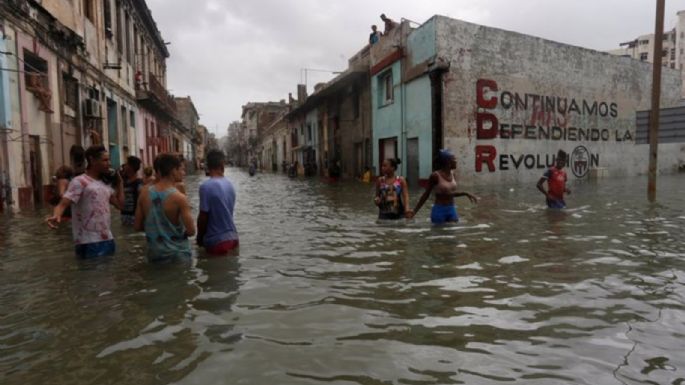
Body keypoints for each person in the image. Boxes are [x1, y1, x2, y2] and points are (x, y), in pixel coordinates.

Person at [46, 145, 124, 258]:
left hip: (108, 239)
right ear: (92, 160)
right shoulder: (79, 182)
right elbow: (63, 203)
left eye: (109, 160)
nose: (109, 163)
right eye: (105, 160)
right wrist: (56, 215)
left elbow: (120, 205)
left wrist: (120, 183)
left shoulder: (104, 183)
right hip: (88, 241)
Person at [134, 153, 195, 262]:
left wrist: (157, 230)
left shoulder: (143, 193)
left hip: (155, 254)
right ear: (173, 171)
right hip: (178, 255)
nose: (183, 173)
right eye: (181, 169)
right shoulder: (180, 198)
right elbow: (191, 231)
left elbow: (137, 226)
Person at [409, 149, 478, 224]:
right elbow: (426, 194)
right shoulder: (435, 176)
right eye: (454, 159)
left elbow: (450, 193)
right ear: (448, 162)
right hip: (439, 210)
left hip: (451, 209)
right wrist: (414, 211)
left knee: (453, 233)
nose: (456, 161)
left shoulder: (453, 174)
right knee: (438, 234)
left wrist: (465, 193)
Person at [197, 150, 239, 256]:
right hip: (234, 238)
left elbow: (203, 217)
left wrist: (199, 238)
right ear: (222, 166)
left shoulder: (205, 187)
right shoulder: (230, 185)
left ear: (208, 166)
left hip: (217, 242)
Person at [120, 156, 143, 226]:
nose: (124, 166)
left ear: (131, 167)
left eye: (126, 164)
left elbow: (141, 202)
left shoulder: (138, 183)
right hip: (124, 216)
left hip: (134, 217)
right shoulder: (123, 181)